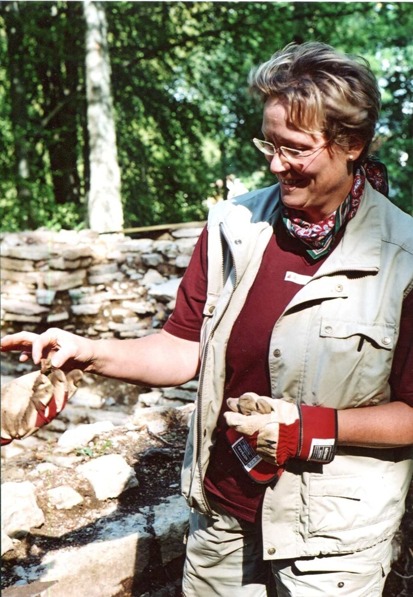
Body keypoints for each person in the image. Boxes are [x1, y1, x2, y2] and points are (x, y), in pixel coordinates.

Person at [1, 41, 413, 596]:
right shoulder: (233, 226)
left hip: (331, 544)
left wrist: (310, 428)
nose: (274, 164)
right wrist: (89, 352)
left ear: (352, 145)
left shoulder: (403, 258)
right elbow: (183, 349)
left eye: (294, 149)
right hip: (221, 518)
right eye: (267, 144)